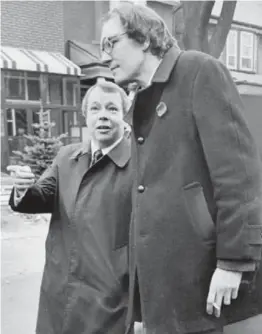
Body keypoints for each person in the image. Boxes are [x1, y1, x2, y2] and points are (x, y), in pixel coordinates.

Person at [100, 3, 262, 334]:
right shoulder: (144, 98)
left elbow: (239, 175)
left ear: (143, 39)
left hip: (202, 282)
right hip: (166, 292)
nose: (104, 56)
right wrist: (142, 305)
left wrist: (234, 261)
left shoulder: (199, 71)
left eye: (110, 43)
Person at [8, 80, 133, 334]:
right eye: (95, 109)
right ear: (85, 115)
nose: (103, 116)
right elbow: (40, 196)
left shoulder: (139, 165)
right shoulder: (66, 157)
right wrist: (22, 187)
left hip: (108, 301)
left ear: (124, 116)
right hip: (60, 293)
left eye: (112, 109)